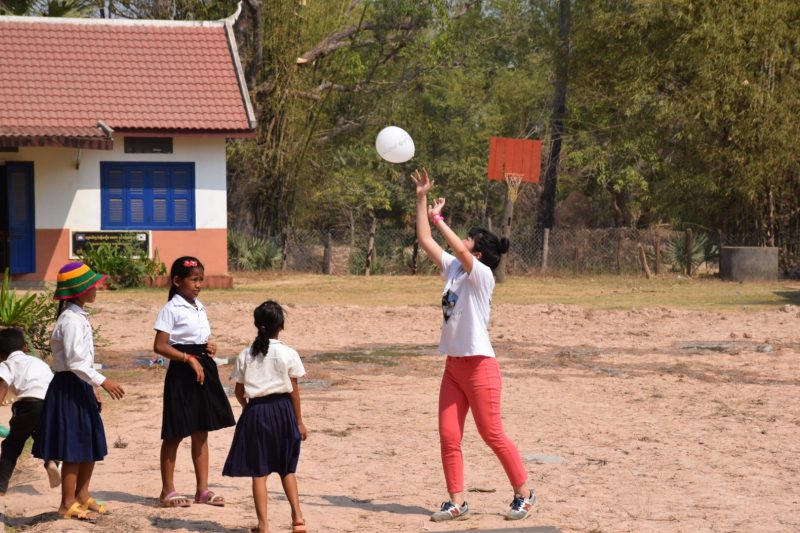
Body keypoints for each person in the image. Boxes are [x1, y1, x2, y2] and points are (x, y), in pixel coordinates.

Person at [410, 168, 536, 522]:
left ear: (478, 253)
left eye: (468, 240)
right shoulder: (453, 270)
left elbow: (450, 245)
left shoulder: (481, 276)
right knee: (449, 435)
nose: (461, 242)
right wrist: (421, 199)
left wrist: (439, 219)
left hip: (481, 367)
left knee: (492, 433)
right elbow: (425, 240)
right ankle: (456, 502)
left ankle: (524, 494)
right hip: (454, 367)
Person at [32, 262, 125, 521]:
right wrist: (103, 381)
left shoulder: (79, 316)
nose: (96, 288)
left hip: (81, 385)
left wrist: (92, 387)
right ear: (80, 291)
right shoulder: (70, 320)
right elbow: (74, 362)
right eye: (91, 284)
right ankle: (66, 503)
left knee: (89, 441)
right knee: (74, 446)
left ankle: (83, 495)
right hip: (69, 387)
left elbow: (83, 362)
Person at [154, 256, 235, 508]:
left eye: (201, 279)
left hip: (203, 369)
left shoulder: (199, 306)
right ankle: (167, 490)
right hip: (182, 373)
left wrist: (209, 346)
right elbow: (160, 346)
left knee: (201, 431)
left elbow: (199, 338)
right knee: (175, 432)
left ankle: (202, 490)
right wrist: (188, 358)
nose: (199, 285)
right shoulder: (171, 309)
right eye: (193, 280)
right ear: (177, 281)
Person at [222, 300, 309, 533]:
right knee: (287, 469)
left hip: (256, 412)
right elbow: (294, 393)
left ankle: (263, 525)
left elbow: (239, 392)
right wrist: (299, 421)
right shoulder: (288, 353)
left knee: (259, 472)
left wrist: (247, 408)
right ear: (281, 325)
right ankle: (298, 519)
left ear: (255, 324)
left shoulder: (245, 355)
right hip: (283, 411)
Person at [0, 327, 60, 496]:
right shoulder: (38, 362)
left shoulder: (7, 364)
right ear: (25, 347)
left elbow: (3, 384)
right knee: (43, 436)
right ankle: (51, 462)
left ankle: (0, 487)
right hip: (49, 403)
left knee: (12, 444)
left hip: (28, 403)